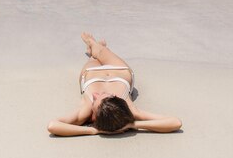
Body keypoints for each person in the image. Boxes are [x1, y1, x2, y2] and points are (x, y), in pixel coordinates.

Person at [47, 32, 182, 136]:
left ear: (93, 116)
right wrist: (132, 123)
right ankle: (94, 46)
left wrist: (94, 131)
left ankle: (93, 49)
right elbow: (175, 122)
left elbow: (53, 125)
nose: (94, 95)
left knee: (95, 56)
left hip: (92, 73)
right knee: (102, 51)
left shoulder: (85, 113)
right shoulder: (130, 110)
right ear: (115, 97)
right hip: (119, 71)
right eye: (102, 95)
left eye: (94, 100)